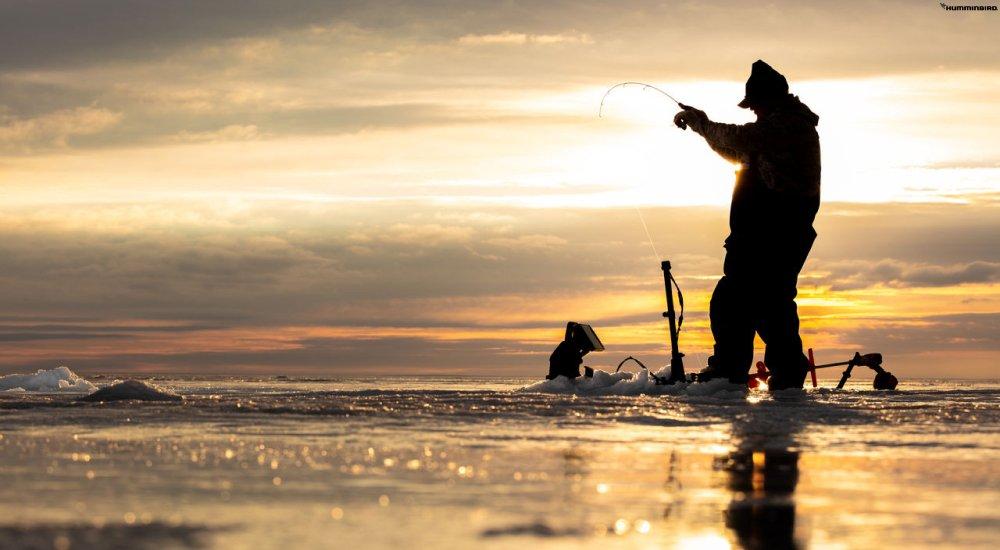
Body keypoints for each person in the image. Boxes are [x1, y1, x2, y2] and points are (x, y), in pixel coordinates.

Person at [673, 60, 820, 390]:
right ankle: (761, 369)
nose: (753, 112)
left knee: (748, 300)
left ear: (769, 101)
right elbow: (736, 150)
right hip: (758, 235)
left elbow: (740, 137)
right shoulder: (773, 131)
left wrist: (703, 123)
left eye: (755, 106)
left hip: (775, 234)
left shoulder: (787, 126)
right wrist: (702, 128)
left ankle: (740, 371)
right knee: (759, 302)